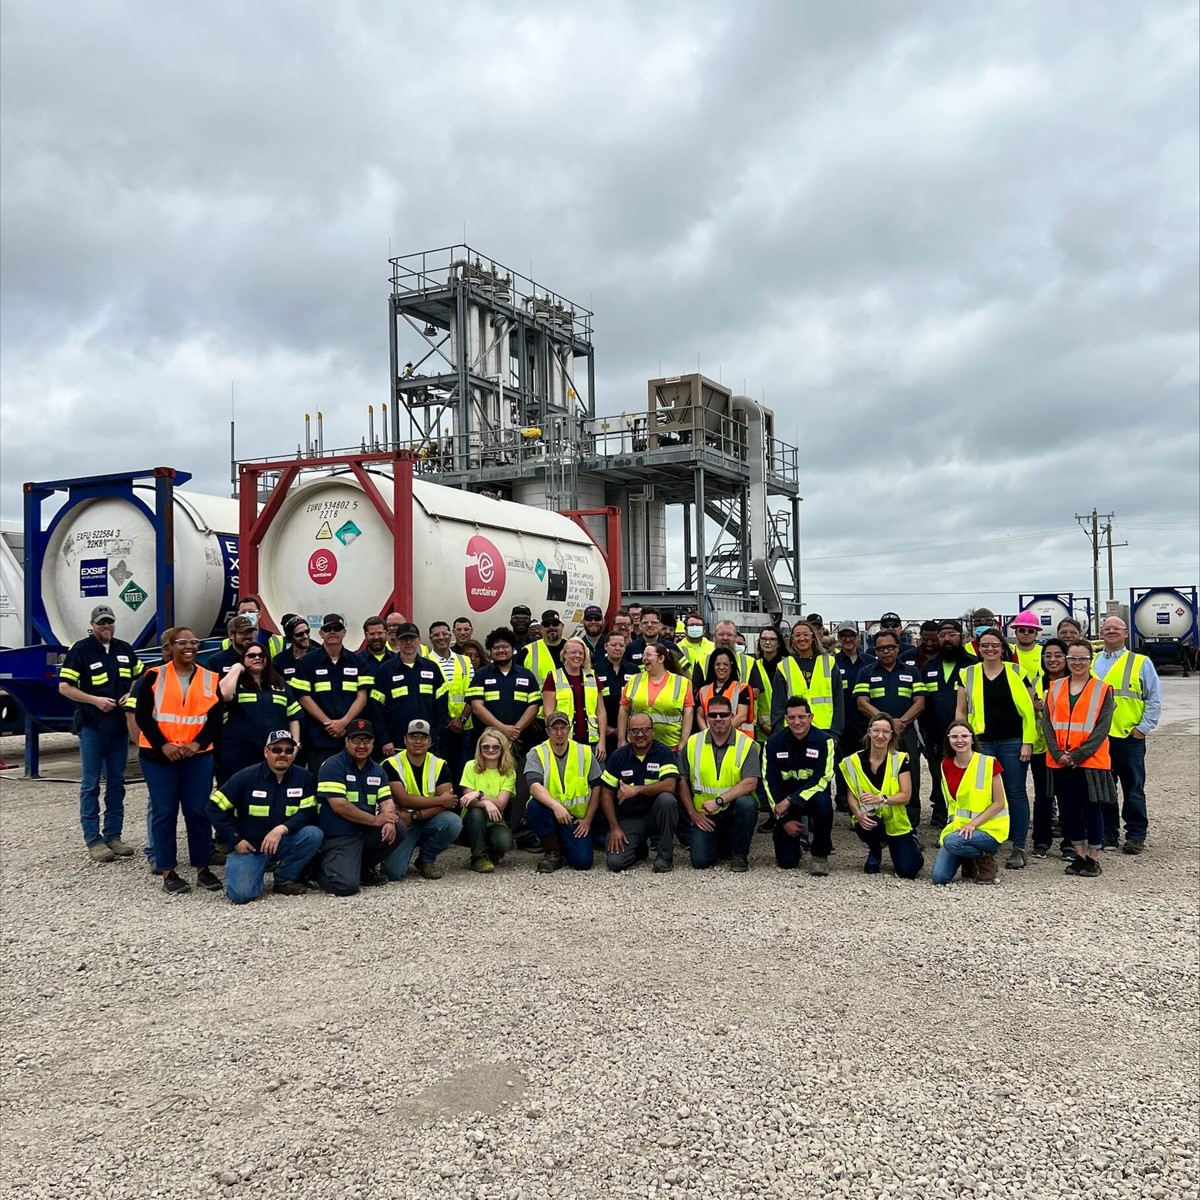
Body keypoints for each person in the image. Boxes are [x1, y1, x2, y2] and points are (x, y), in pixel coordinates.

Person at [135, 627, 223, 896]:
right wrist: (164, 745)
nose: (190, 647)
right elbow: (142, 716)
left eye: (193, 642)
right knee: (164, 811)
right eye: (182, 642)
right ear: (169, 648)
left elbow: (215, 718)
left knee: (198, 810)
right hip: (159, 756)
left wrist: (197, 744)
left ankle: (202, 868)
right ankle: (168, 871)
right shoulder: (153, 676)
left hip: (197, 755)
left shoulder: (210, 678)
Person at [58, 604, 144, 862]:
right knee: (91, 784)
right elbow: (64, 687)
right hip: (92, 726)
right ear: (92, 625)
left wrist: (131, 693)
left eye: (109, 622)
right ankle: (94, 840)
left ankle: (114, 836)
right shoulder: (80, 650)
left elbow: (140, 677)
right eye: (101, 622)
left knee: (117, 782)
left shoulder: (124, 649)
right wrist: (95, 700)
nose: (106, 626)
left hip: (118, 727)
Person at [208, 730, 323, 903]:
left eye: (288, 750)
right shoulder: (246, 777)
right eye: (276, 750)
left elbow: (307, 811)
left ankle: (284, 879)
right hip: (250, 847)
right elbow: (213, 808)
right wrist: (235, 839)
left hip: (282, 841)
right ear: (266, 752)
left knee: (313, 834)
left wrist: (281, 829)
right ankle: (254, 871)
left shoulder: (304, 778)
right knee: (242, 895)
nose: (283, 754)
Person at [954, 628, 1036, 869]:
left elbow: (1030, 710)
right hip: (981, 743)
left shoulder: (1017, 672)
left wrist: (1028, 741)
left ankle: (1018, 847)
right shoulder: (967, 674)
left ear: (1003, 648)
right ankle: (987, 843)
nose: (990, 649)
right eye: (985, 645)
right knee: (983, 794)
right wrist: (962, 739)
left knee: (1015, 793)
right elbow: (961, 710)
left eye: (995, 645)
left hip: (1013, 741)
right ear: (978, 649)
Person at [1042, 642, 1117, 878]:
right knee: (1069, 809)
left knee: (1092, 808)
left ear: (1090, 660)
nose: (1077, 663)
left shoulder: (1103, 689)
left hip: (1089, 761)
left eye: (1082, 658)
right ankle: (1079, 854)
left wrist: (1077, 755)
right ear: (1067, 660)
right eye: (1072, 658)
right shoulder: (1055, 687)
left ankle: (1093, 857)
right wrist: (1058, 753)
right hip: (1060, 761)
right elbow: (1047, 723)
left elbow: (1102, 727)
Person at [1092, 616, 1161, 854]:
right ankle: (1108, 834)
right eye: (1107, 628)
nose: (1111, 631)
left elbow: (1153, 697)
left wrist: (1143, 728)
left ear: (1125, 633)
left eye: (1116, 628)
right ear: (1101, 633)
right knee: (1104, 788)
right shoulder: (1092, 661)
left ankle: (1136, 835)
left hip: (1129, 737)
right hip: (1098, 738)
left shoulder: (1141, 662)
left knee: (1133, 788)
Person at [466, 627, 542, 833]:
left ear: (512, 649)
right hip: (488, 744)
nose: (501, 650)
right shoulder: (481, 675)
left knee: (518, 785)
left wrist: (515, 730)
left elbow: (534, 706)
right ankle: (486, 827)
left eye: (505, 646)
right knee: (490, 782)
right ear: (490, 651)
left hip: (520, 742)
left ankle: (516, 829)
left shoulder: (526, 675)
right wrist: (502, 731)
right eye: (496, 647)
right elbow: (477, 706)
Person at [313, 718, 398, 894]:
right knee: (346, 886)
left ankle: (363, 868)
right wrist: (375, 820)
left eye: (366, 740)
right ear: (347, 741)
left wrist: (389, 819)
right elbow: (339, 806)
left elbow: (387, 801)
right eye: (356, 740)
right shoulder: (332, 766)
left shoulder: (377, 770)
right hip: (340, 836)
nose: (362, 746)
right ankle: (316, 869)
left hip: (363, 833)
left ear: (373, 743)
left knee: (399, 828)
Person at [679, 695, 760, 872]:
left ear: (732, 716)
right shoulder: (693, 742)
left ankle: (739, 855)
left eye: (723, 715)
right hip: (705, 813)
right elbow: (682, 780)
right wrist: (693, 814)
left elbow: (751, 783)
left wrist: (719, 801)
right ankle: (722, 845)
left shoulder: (746, 744)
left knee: (747, 804)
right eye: (713, 715)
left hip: (732, 810)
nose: (718, 719)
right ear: (706, 716)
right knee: (700, 861)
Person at [853, 629, 924, 827]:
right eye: (881, 648)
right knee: (875, 775)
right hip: (877, 735)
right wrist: (887, 725)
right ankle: (876, 823)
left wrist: (902, 723)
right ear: (875, 650)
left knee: (911, 776)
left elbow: (920, 703)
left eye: (890, 647)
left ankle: (910, 825)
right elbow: (862, 703)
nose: (886, 651)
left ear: (898, 648)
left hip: (905, 732)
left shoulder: (912, 671)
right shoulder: (866, 672)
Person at [840, 714, 924, 879]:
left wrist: (882, 799)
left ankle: (910, 844)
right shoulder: (852, 761)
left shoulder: (900, 759)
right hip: (869, 818)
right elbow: (851, 796)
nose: (880, 735)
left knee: (908, 871)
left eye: (885, 732)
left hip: (896, 823)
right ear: (869, 732)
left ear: (891, 735)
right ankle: (875, 848)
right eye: (876, 731)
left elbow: (906, 796)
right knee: (869, 824)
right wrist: (858, 814)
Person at [289, 613, 373, 774]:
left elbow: (362, 697)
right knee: (322, 782)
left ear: (344, 632)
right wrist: (328, 723)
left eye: (337, 628)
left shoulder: (358, 661)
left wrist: (344, 722)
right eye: (328, 629)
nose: (333, 632)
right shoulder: (307, 662)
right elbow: (303, 697)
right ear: (321, 633)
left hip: (351, 738)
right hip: (319, 740)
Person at [597, 713, 680, 873]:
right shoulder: (618, 756)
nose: (640, 734)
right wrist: (614, 828)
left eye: (645, 730)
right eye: (635, 730)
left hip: (656, 816)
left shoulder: (663, 752)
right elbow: (605, 794)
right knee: (615, 862)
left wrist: (636, 790)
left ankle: (665, 856)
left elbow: (670, 785)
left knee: (667, 800)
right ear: (628, 733)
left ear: (653, 731)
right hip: (630, 818)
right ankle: (639, 849)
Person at [381, 719, 461, 880]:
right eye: (413, 737)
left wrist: (415, 815)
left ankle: (426, 859)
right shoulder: (391, 764)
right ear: (405, 739)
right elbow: (403, 800)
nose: (418, 741)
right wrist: (440, 800)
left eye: (423, 737)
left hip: (421, 819)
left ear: (430, 741)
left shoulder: (439, 764)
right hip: (402, 825)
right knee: (393, 874)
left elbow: (449, 803)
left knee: (453, 822)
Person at [930, 722, 1009, 885]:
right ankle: (969, 858)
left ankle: (984, 858)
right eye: (954, 736)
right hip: (960, 829)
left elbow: (999, 803)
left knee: (951, 842)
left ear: (972, 739)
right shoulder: (945, 765)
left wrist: (973, 824)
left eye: (964, 736)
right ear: (948, 740)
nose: (959, 740)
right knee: (939, 877)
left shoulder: (989, 763)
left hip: (989, 829)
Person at [524, 711, 604, 872]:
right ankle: (553, 853)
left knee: (583, 862)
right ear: (547, 731)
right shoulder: (537, 752)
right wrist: (556, 806)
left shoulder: (584, 752)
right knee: (534, 807)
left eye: (563, 728)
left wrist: (588, 820)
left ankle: (563, 843)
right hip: (549, 811)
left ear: (569, 729)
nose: (559, 733)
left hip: (574, 818)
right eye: (554, 729)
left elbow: (597, 786)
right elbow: (534, 786)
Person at [765, 696, 835, 875]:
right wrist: (783, 820)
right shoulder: (773, 743)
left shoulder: (824, 741)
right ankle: (790, 842)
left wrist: (791, 799)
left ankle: (820, 854)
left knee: (824, 802)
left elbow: (822, 778)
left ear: (811, 717)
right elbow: (769, 782)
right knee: (788, 863)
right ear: (786, 719)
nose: (797, 722)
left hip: (811, 799)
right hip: (785, 807)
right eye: (792, 717)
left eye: (802, 717)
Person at [216, 641, 301, 783]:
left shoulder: (279, 683)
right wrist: (236, 669)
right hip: (238, 755)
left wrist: (295, 746)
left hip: (273, 754)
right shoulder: (236, 682)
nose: (257, 658)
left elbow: (294, 717)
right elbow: (224, 694)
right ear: (243, 659)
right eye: (251, 655)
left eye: (261, 655)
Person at [370, 621, 449, 757]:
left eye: (412, 638)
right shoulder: (384, 670)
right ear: (397, 642)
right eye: (404, 639)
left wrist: (435, 735)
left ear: (418, 640)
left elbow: (442, 706)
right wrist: (385, 740)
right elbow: (376, 709)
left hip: (428, 743)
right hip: (395, 745)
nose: (408, 643)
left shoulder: (432, 668)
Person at [918, 620, 969, 829]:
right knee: (938, 772)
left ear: (961, 637)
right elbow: (922, 700)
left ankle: (964, 813)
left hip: (965, 733)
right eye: (942, 635)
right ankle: (940, 810)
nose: (947, 639)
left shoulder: (973, 665)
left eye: (952, 634)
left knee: (964, 772)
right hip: (935, 732)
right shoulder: (929, 666)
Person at [772, 619, 843, 738]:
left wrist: (835, 734)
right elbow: (778, 706)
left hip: (825, 730)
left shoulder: (829, 662)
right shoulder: (784, 666)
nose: (802, 638)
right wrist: (779, 735)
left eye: (806, 634)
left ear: (813, 637)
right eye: (797, 635)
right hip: (793, 730)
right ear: (792, 639)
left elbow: (839, 702)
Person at [458, 730, 517, 872]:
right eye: (486, 746)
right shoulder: (470, 766)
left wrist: (478, 794)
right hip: (470, 822)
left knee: (505, 843)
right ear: (479, 748)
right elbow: (467, 800)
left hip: (495, 821)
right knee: (477, 812)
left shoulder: (509, 772)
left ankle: (490, 855)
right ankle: (478, 858)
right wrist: (486, 802)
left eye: (496, 747)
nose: (490, 750)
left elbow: (501, 804)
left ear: (503, 749)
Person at [618, 642, 694, 752]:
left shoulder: (682, 682)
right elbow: (624, 710)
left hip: (671, 747)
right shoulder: (634, 680)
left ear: (661, 658)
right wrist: (621, 739)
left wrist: (684, 741)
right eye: (643, 655)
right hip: (638, 746)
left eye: (648, 655)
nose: (644, 659)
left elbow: (688, 713)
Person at [1033, 637, 1071, 857]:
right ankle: (1041, 841)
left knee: (1068, 796)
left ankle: (1070, 842)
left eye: (1058, 655)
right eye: (1047, 655)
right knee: (1043, 795)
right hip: (1042, 749)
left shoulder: (1076, 683)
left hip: (1068, 749)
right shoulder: (1035, 683)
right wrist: (1033, 707)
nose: (1052, 660)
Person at [832, 621, 873, 813]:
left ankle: (864, 798)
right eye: (843, 636)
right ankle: (842, 798)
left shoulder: (870, 661)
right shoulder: (832, 663)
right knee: (842, 763)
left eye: (851, 635)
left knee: (865, 762)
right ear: (839, 639)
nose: (847, 639)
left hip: (865, 723)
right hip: (842, 722)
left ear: (858, 637)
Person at [543, 636, 607, 755]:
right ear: (565, 654)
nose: (577, 656)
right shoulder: (553, 677)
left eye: (581, 653)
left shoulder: (592, 676)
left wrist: (602, 741)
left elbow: (601, 711)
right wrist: (555, 739)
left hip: (592, 741)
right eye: (573, 652)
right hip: (565, 742)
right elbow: (548, 714)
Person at [427, 620, 474, 779]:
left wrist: (461, 720)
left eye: (445, 634)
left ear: (450, 635)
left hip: (464, 727)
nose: (441, 637)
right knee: (441, 772)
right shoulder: (425, 662)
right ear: (430, 638)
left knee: (463, 772)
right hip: (439, 729)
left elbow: (472, 692)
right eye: (436, 635)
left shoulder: (465, 660)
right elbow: (429, 698)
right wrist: (448, 721)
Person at [595, 630, 637, 756]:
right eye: (613, 645)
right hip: (601, 732)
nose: (617, 648)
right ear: (605, 646)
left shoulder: (634, 670)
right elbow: (591, 702)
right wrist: (605, 727)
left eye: (621, 645)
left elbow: (637, 702)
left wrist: (624, 728)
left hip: (628, 732)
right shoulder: (595, 670)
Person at [696, 648, 754, 737]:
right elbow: (700, 716)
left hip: (739, 739)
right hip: (710, 740)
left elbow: (742, 716)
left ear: (731, 667)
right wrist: (709, 735)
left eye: (725, 664)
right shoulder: (703, 691)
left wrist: (723, 734)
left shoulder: (741, 688)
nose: (721, 667)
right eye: (717, 664)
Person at [524, 608, 566, 692]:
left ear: (562, 626)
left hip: (568, 700)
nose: (551, 627)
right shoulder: (527, 651)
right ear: (541, 628)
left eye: (555, 624)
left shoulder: (575, 648)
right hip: (539, 699)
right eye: (547, 624)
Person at [208, 614, 259, 679]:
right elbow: (207, 684)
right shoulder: (216, 661)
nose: (248, 636)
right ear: (231, 635)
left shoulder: (260, 658)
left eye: (250, 632)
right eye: (243, 632)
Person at [273, 615, 313, 685]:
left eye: (307, 631)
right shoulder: (279, 661)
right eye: (300, 634)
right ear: (291, 637)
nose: (305, 636)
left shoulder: (320, 656)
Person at [677, 610, 715, 679]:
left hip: (708, 684)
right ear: (685, 629)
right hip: (685, 684)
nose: (695, 627)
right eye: (691, 625)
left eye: (698, 625)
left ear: (704, 629)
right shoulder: (677, 648)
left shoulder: (713, 647)